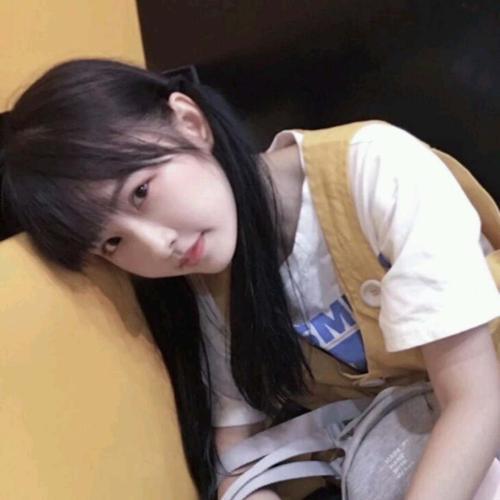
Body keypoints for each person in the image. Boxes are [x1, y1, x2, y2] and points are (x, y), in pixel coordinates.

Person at [1, 59, 499, 500]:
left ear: (190, 123)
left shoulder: (376, 165)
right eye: (113, 243)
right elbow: (235, 452)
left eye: (140, 192)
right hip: (400, 442)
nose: (155, 245)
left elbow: (475, 399)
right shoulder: (210, 285)